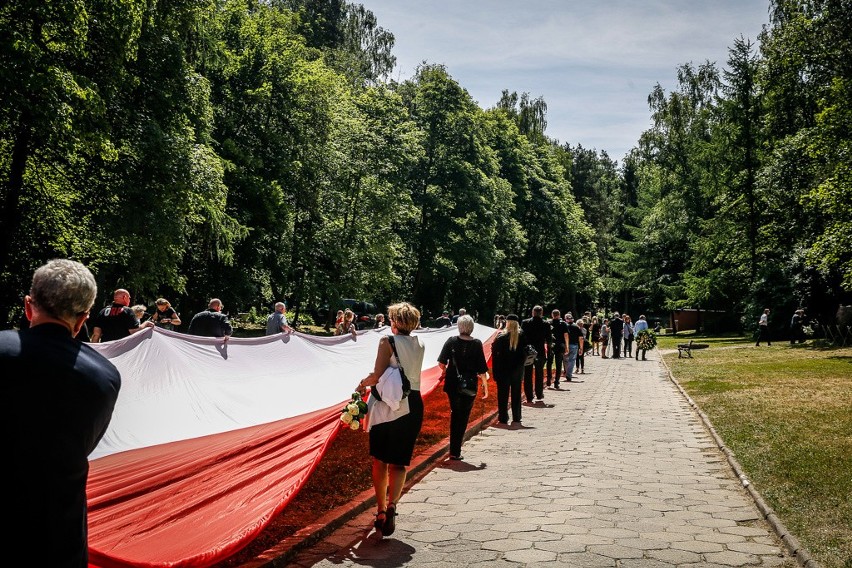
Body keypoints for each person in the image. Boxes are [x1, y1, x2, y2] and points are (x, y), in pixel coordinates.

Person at [2, 259, 121, 567]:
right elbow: (85, 443)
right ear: (82, 320)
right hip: (57, 535)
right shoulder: (105, 376)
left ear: (28, 306)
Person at [355, 302, 425, 538]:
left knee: (380, 460)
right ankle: (394, 504)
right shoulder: (420, 343)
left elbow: (377, 376)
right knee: (399, 461)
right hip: (413, 403)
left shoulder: (387, 341)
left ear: (396, 321)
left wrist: (362, 383)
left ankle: (381, 509)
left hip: (389, 407)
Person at [437, 314, 490, 460]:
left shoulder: (451, 341)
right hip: (470, 384)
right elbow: (482, 369)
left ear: (459, 326)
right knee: (464, 415)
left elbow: (441, 362)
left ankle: (454, 450)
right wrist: (486, 388)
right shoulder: (477, 343)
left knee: (455, 413)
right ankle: (456, 449)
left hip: (453, 383)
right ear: (472, 327)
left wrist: (446, 371)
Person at [490, 313, 527, 425]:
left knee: (502, 395)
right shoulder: (522, 336)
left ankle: (503, 417)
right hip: (517, 370)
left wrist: (495, 371)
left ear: (507, 323)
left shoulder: (500, 337)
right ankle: (517, 416)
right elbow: (524, 354)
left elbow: (494, 355)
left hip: (503, 370)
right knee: (516, 394)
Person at [521, 305, 550, 403]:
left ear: (533, 312)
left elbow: (522, 337)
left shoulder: (525, 323)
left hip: (528, 351)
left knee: (528, 374)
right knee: (539, 373)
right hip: (540, 351)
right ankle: (539, 393)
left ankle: (529, 396)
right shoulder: (545, 324)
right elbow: (549, 339)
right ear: (541, 313)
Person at [546, 309, 569, 388]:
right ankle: (556, 381)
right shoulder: (563, 324)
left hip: (551, 344)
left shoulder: (549, 323)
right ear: (559, 315)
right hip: (560, 345)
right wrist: (567, 346)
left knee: (549, 362)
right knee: (558, 363)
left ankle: (549, 378)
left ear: (552, 315)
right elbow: (566, 335)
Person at [563, 314, 584, 382]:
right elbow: (581, 338)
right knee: (571, 360)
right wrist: (581, 348)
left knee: (565, 360)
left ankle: (566, 373)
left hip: (566, 345)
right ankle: (569, 374)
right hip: (574, 345)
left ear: (566, 319)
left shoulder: (564, 326)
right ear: (572, 319)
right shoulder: (576, 327)